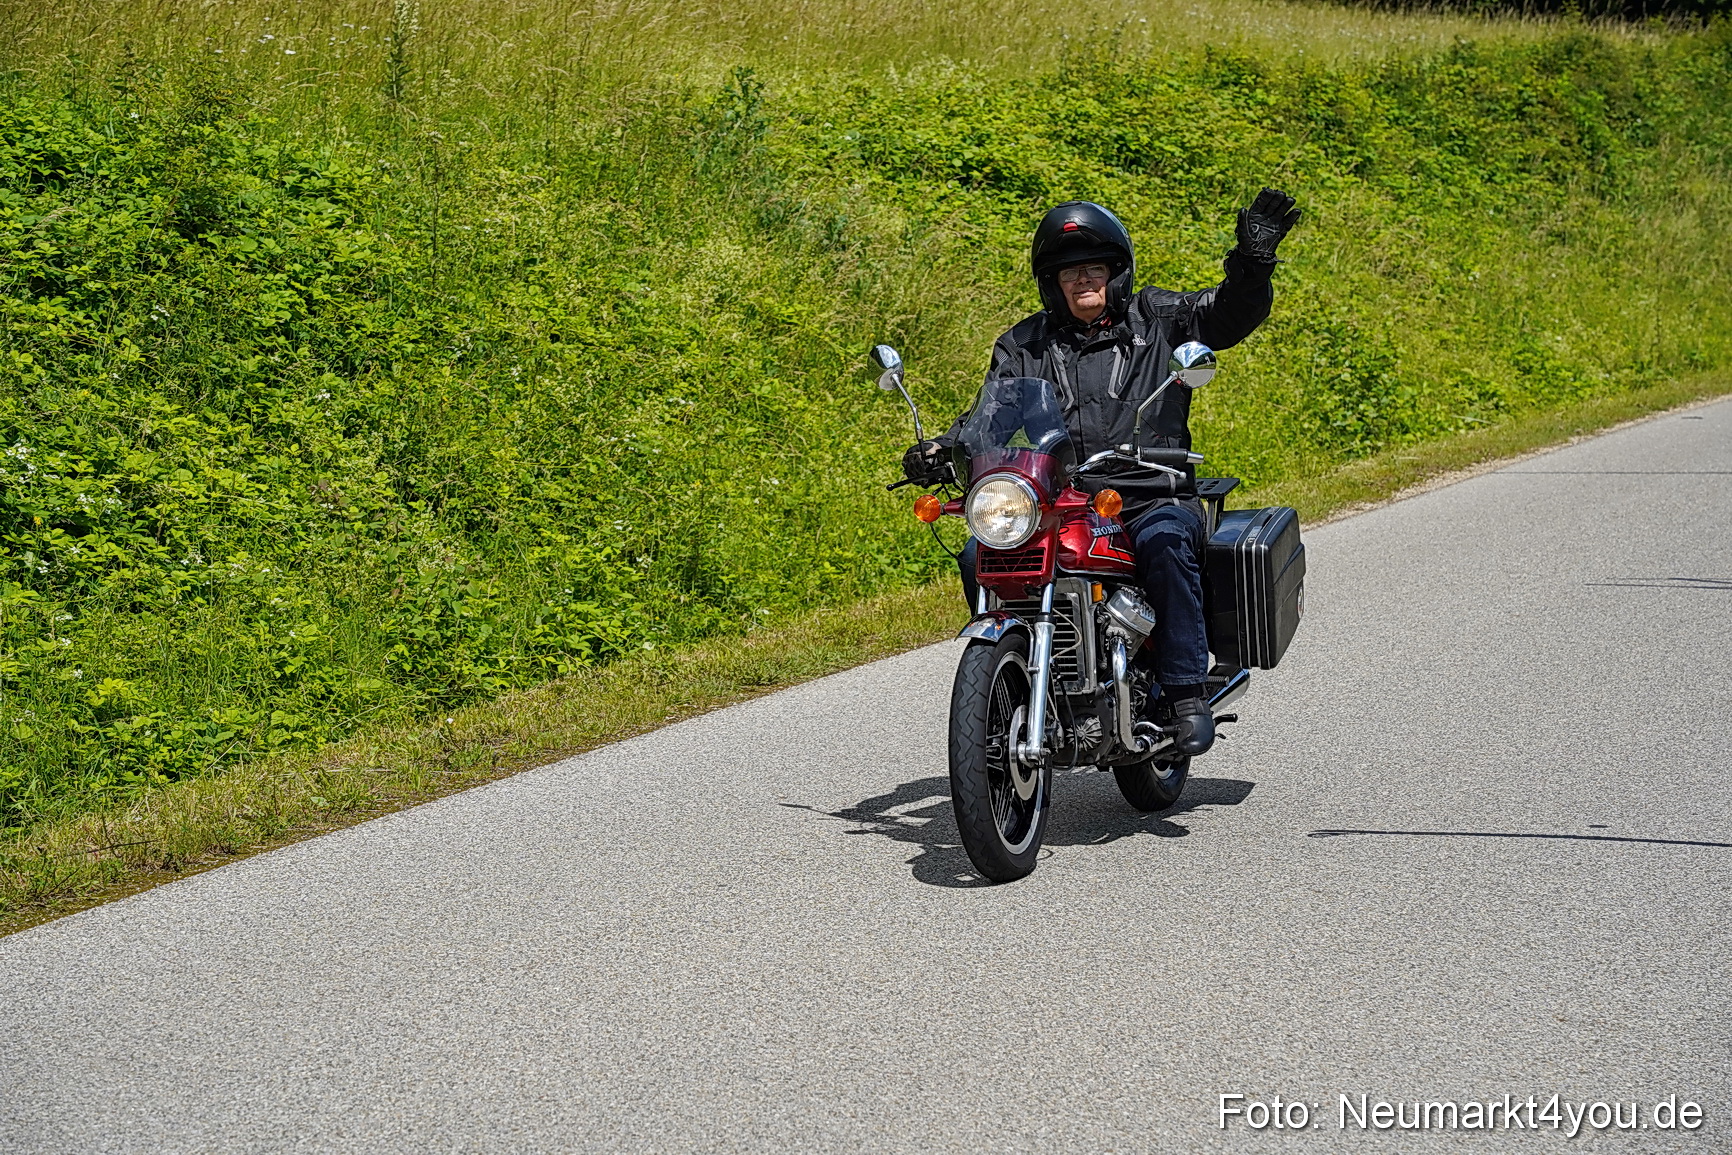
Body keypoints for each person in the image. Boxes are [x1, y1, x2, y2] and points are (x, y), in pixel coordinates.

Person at [902, 191, 1300, 757]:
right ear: (1051, 283)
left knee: (1165, 541)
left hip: (1150, 490)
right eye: (1070, 273)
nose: (1083, 281)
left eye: (1094, 269)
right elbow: (989, 415)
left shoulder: (1161, 319)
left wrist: (1253, 261)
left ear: (1117, 273)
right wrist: (944, 448)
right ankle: (1011, 675)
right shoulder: (1023, 345)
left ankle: (1184, 692)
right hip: (1063, 501)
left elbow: (1230, 314)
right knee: (980, 554)